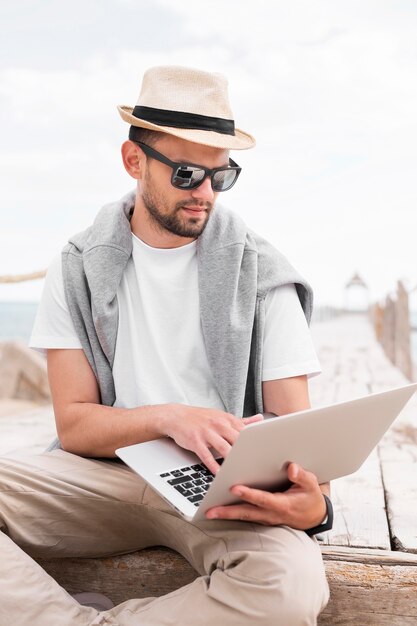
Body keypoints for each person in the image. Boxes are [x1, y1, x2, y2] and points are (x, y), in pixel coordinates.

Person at [1, 65, 330, 625]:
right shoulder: (79, 265)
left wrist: (314, 504)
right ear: (134, 162)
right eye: (185, 173)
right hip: (104, 475)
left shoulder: (265, 274)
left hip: (224, 487)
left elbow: (299, 440)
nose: (204, 193)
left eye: (219, 176)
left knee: (292, 587)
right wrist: (171, 418)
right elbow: (76, 424)